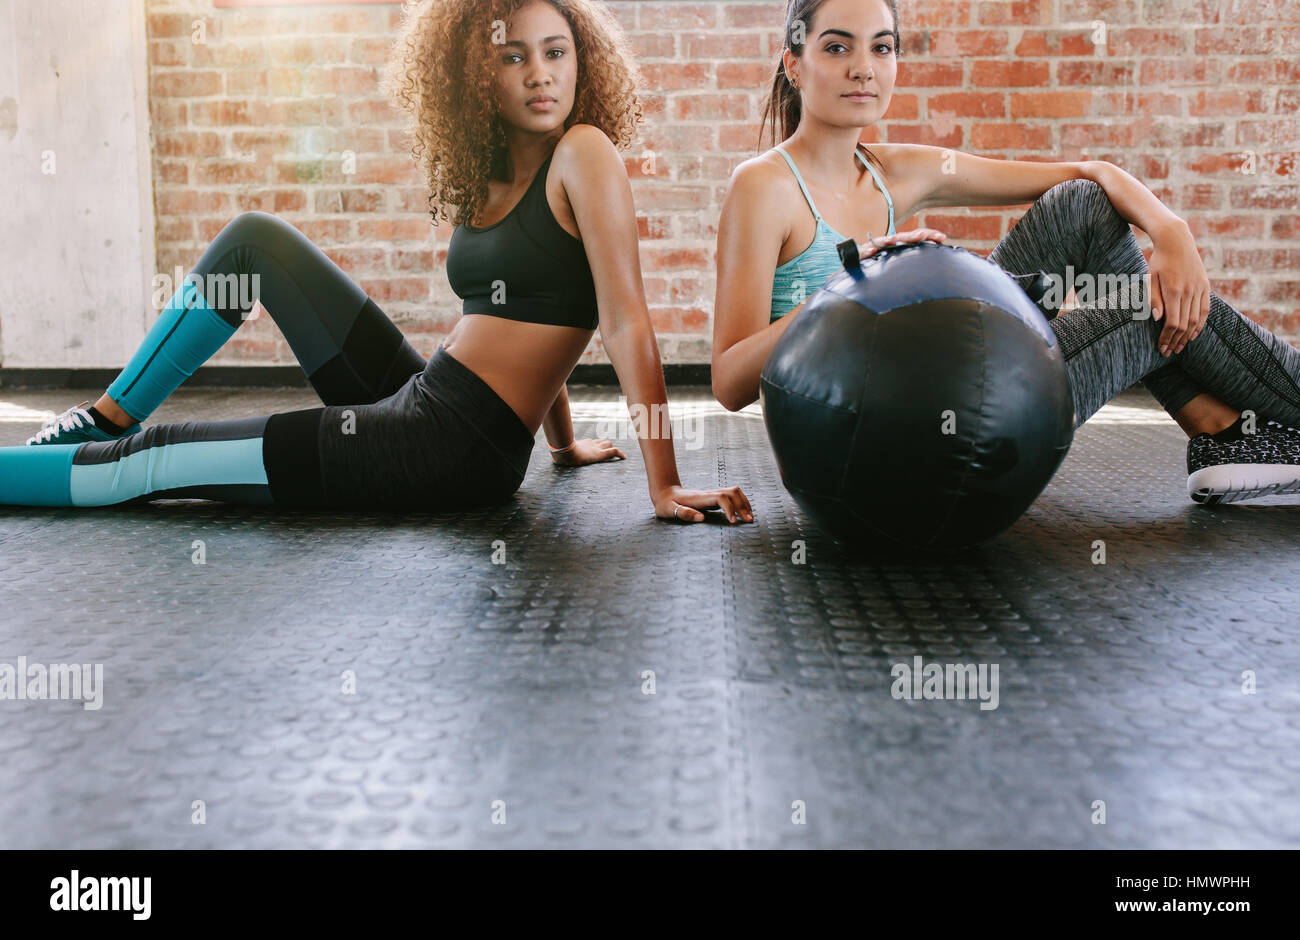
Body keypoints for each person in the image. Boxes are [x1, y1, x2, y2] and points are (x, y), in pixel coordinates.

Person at [8, 0, 753, 525]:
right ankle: (97, 418)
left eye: (556, 53)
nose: (540, 75)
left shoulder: (584, 153)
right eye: (513, 56)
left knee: (154, 460)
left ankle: (63, 453)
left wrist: (668, 483)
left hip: (448, 446)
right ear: (475, 73)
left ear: (580, 61)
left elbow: (623, 320)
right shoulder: (489, 168)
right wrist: (560, 442)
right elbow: (531, 302)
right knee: (254, 241)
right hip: (427, 395)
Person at [711, 0, 1300, 504]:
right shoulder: (764, 186)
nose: (864, 69)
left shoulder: (897, 171)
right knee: (1141, 298)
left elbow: (1088, 173)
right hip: (893, 443)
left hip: (953, 385)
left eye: (882, 48)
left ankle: (1220, 432)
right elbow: (730, 381)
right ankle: (1230, 433)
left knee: (1081, 205)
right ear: (794, 62)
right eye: (837, 48)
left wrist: (1171, 231)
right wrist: (848, 284)